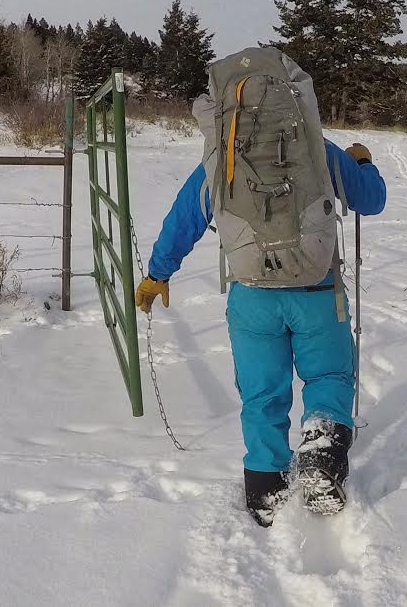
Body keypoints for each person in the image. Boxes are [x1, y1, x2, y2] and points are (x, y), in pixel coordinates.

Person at [135, 49, 386, 527]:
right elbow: (371, 200)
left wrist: (157, 275)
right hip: (317, 288)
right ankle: (322, 455)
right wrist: (363, 163)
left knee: (262, 392)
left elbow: (183, 220)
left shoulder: (220, 157)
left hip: (251, 295)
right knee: (328, 377)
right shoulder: (316, 149)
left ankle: (265, 488)